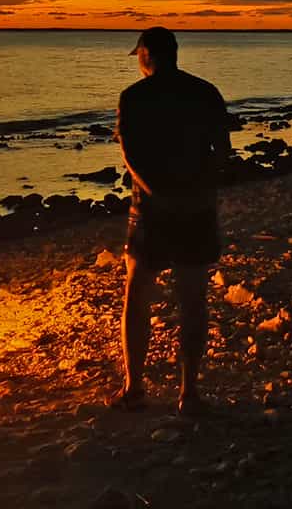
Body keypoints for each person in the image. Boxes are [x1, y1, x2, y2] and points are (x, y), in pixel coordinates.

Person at [112, 26, 231, 413]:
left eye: (139, 55)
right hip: (196, 206)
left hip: (150, 209)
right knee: (192, 297)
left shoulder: (134, 97)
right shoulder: (205, 92)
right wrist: (201, 189)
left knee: (138, 293)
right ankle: (189, 391)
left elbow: (131, 156)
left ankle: (134, 386)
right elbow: (222, 152)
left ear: (146, 54)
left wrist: (157, 194)